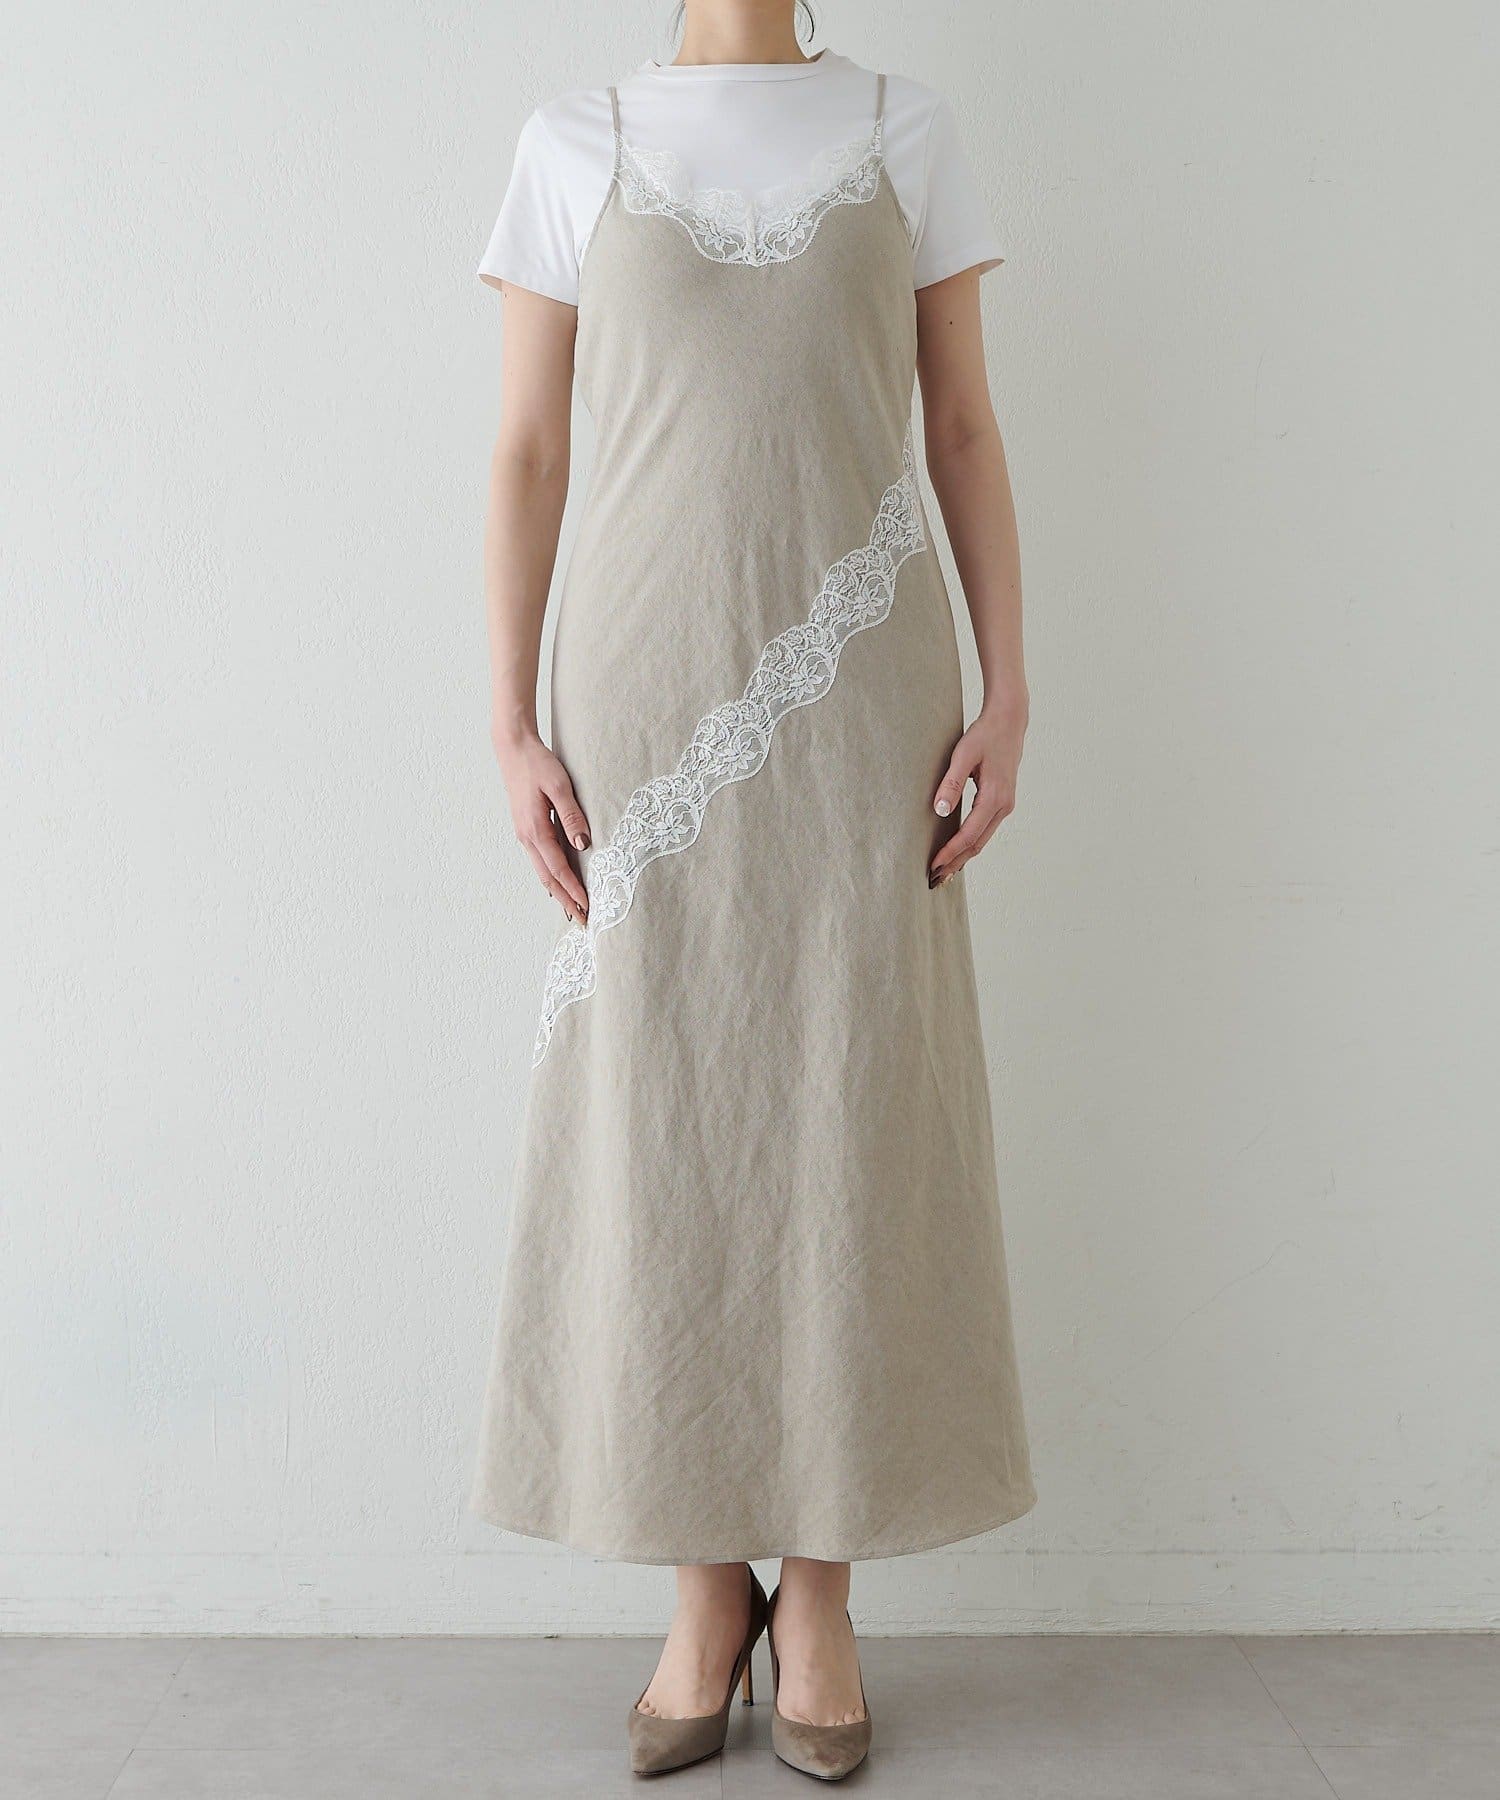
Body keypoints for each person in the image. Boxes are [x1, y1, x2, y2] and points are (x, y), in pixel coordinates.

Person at [473, 1, 1034, 1778]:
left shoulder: (905, 128)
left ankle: (825, 1590)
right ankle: (706, 1590)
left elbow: (961, 428)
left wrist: (1010, 688)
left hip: (866, 696)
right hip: (644, 701)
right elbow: (530, 449)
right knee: (671, 1115)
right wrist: (509, 722)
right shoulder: (573, 140)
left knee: (848, 1102)